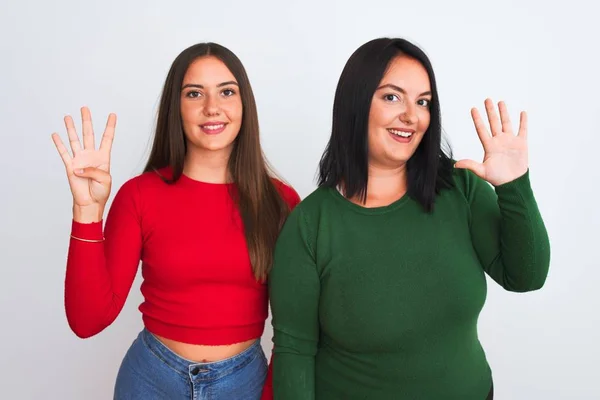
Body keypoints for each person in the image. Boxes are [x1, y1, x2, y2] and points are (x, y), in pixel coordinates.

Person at [268, 37, 550, 399]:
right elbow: (295, 352)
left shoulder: (460, 189)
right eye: (391, 97)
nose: (412, 116)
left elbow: (526, 275)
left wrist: (514, 186)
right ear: (355, 103)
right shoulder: (310, 226)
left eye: (423, 102)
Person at [51, 42, 300, 399]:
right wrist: (87, 214)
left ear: (244, 104)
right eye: (194, 93)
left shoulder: (282, 203)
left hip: (245, 383)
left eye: (226, 92)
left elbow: (295, 330)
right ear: (176, 107)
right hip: (151, 381)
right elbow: (87, 320)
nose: (212, 108)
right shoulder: (139, 195)